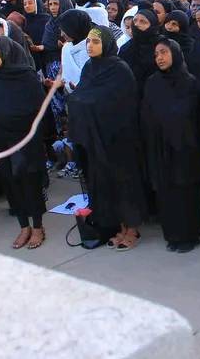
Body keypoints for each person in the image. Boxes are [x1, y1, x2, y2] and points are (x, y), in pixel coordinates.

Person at [67, 26, 146, 251]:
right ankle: (119, 226)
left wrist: (84, 100)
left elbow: (121, 103)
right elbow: (84, 95)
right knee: (106, 184)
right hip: (96, 139)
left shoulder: (119, 69)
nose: (89, 46)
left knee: (124, 184)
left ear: (107, 44)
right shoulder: (89, 67)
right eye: (88, 42)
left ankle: (132, 229)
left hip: (118, 139)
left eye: (95, 42)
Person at [0, 36, 49, 250]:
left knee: (29, 181)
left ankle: (37, 226)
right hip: (1, 140)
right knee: (10, 182)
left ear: (5, 50)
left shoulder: (25, 75)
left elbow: (39, 107)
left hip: (25, 139)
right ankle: (23, 225)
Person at [141, 38, 200, 253]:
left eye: (163, 53)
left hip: (184, 147)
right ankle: (173, 235)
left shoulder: (189, 83)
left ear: (175, 54)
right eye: (156, 54)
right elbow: (146, 114)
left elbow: (195, 115)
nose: (159, 58)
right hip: (160, 147)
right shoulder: (152, 83)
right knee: (166, 193)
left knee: (185, 192)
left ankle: (190, 235)